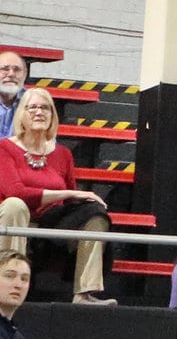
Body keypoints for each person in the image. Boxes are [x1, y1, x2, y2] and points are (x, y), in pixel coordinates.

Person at [0, 89, 111, 304]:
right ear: (21, 114)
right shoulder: (4, 148)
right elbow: (16, 192)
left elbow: (69, 203)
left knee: (95, 215)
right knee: (15, 205)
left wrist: (83, 200)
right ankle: (6, 284)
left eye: (45, 108)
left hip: (51, 226)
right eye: (33, 107)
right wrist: (70, 192)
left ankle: (85, 293)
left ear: (52, 116)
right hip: (15, 220)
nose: (39, 112)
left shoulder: (62, 154)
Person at [0, 55, 26, 143]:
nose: (11, 74)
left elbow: (47, 143)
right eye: (5, 69)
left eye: (17, 70)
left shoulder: (35, 102)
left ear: (24, 75)